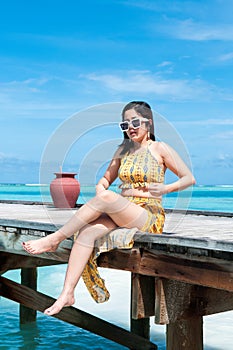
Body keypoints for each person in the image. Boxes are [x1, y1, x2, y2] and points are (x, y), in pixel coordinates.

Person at [22, 101, 196, 315]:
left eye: (135, 122)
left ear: (148, 123)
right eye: (125, 125)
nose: (130, 128)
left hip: (147, 214)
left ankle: (55, 239)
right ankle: (67, 293)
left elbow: (189, 178)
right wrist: (100, 185)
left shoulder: (160, 148)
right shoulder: (122, 150)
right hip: (123, 211)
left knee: (105, 199)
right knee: (86, 233)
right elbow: (106, 178)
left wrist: (166, 188)